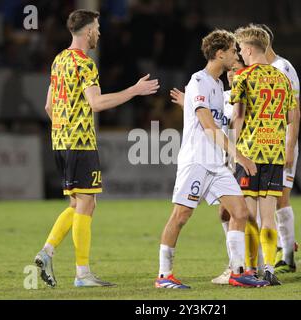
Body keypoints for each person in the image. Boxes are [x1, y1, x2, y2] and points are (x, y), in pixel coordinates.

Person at [34, 9, 159, 288]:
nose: (100, 33)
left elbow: (48, 106)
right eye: (98, 28)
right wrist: (134, 91)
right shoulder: (85, 63)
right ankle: (82, 274)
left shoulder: (59, 60)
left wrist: (62, 129)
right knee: (87, 202)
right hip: (80, 142)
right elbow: (97, 103)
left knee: (79, 204)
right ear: (88, 30)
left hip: (60, 141)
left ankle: (47, 252)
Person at [155, 29, 269, 289]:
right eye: (232, 50)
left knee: (238, 212)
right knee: (180, 216)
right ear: (220, 53)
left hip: (215, 164)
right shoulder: (198, 81)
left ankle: (238, 272)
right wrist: (238, 155)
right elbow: (208, 125)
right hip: (196, 161)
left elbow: (213, 117)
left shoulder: (218, 85)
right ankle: (164, 276)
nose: (236, 54)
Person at [229, 24, 299, 285]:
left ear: (248, 50)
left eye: (240, 50)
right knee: (268, 215)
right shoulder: (282, 78)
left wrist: (234, 152)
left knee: (248, 214)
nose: (240, 54)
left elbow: (238, 116)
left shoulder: (243, 78)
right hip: (274, 154)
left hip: (249, 154)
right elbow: (292, 117)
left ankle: (250, 268)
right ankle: (269, 267)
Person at [255, 24, 301, 274]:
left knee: (280, 197)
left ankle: (288, 257)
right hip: (264, 144)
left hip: (281, 142)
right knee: (270, 199)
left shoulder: (283, 68)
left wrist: (290, 146)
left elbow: (295, 110)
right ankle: (282, 254)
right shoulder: (260, 70)